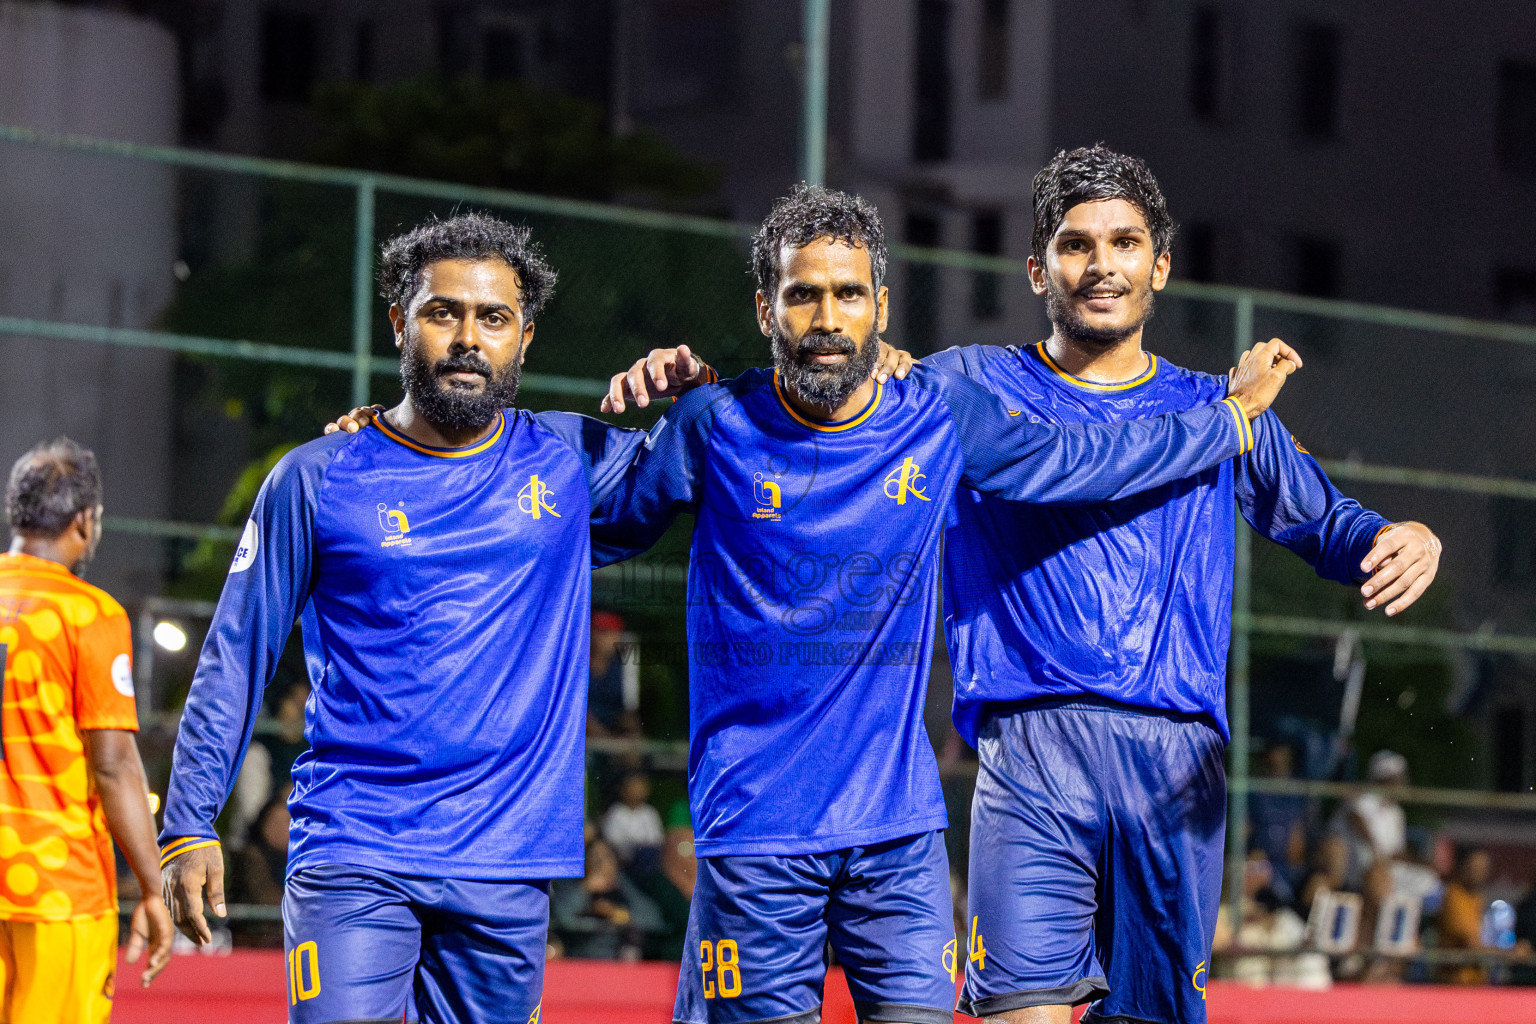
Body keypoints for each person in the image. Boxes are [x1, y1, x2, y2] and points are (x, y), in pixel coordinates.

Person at [620, 151, 1439, 1024]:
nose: (1102, 265)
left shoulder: (1225, 406)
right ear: (1038, 269)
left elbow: (1329, 524)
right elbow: (827, 411)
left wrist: (1404, 537)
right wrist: (717, 393)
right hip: (1030, 757)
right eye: (1076, 244)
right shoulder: (965, 386)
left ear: (1161, 265)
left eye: (1125, 243)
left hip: (1177, 764)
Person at [159, 213, 673, 1024]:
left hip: (506, 864)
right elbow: (235, 655)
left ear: (525, 338)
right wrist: (187, 824)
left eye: (493, 317)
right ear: (401, 322)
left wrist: (699, 386)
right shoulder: (316, 478)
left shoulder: (570, 465)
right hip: (355, 852)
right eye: (443, 313)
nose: (468, 337)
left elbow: (725, 455)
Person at [0, 437, 172, 1021]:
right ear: (84, 521)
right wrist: (151, 887)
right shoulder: (89, 614)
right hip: (57, 888)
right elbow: (114, 765)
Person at [550, 838, 662, 960]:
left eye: (607, 857)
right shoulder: (571, 886)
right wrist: (587, 887)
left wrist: (617, 913)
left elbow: (653, 920)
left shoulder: (623, 886)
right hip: (580, 957)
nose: (601, 863)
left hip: (618, 959)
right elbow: (564, 919)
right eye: (594, 858)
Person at [1438, 846, 1492, 984]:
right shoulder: (1454, 897)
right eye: (1475, 868)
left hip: (1477, 982)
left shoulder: (1477, 899)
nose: (1480, 873)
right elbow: (1472, 945)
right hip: (1456, 983)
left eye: (1484, 869)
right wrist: (1511, 953)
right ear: (1463, 867)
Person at [602, 772, 664, 865]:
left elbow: (656, 839)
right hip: (623, 861)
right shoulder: (616, 812)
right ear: (623, 790)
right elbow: (613, 840)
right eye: (633, 787)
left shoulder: (650, 812)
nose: (637, 791)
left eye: (640, 787)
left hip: (647, 858)